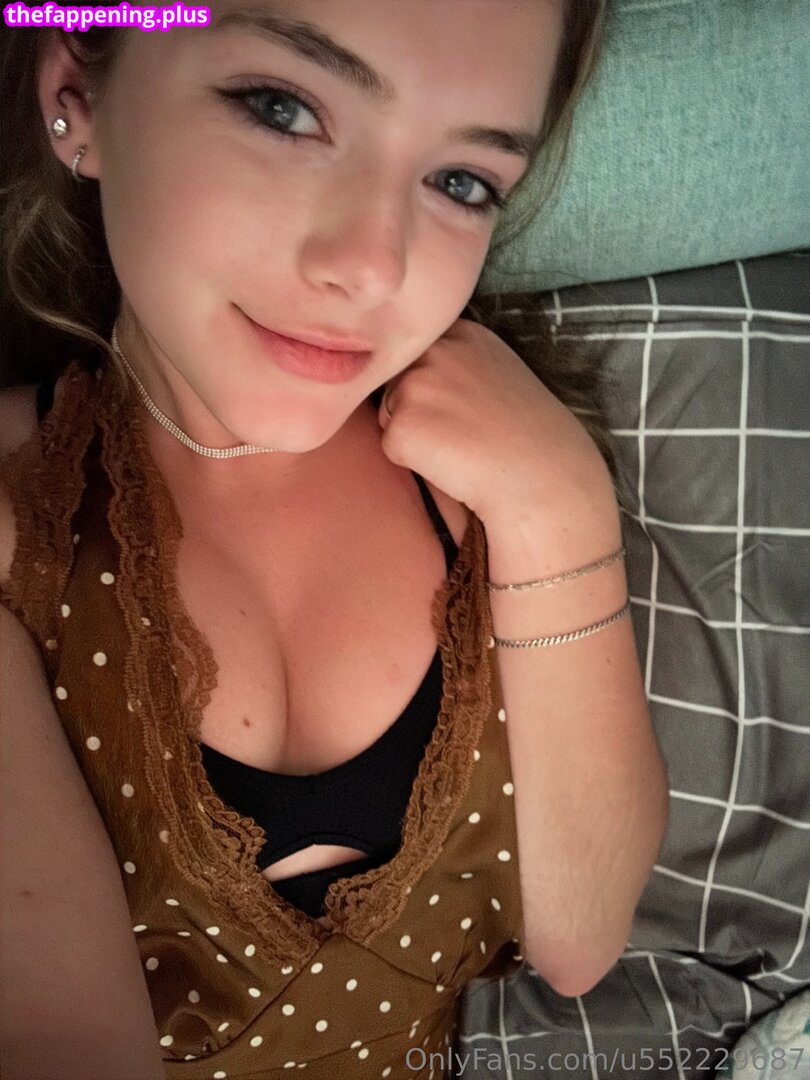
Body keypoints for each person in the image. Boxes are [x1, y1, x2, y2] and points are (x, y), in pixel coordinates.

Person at [0, 2, 669, 1077]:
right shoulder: (17, 523)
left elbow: (581, 937)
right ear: (77, 87)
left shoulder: (496, 470)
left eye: (462, 182)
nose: (373, 267)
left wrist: (560, 508)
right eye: (282, 109)